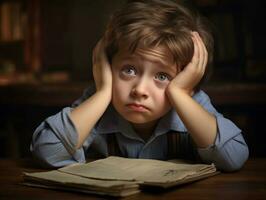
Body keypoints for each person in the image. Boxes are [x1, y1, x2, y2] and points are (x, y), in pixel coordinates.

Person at [31, 0, 249, 171]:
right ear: (107, 66)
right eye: (129, 70)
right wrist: (104, 92)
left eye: (162, 76)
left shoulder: (191, 102)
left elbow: (233, 157)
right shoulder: (99, 102)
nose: (139, 90)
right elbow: (46, 150)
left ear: (188, 82)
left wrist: (180, 95)